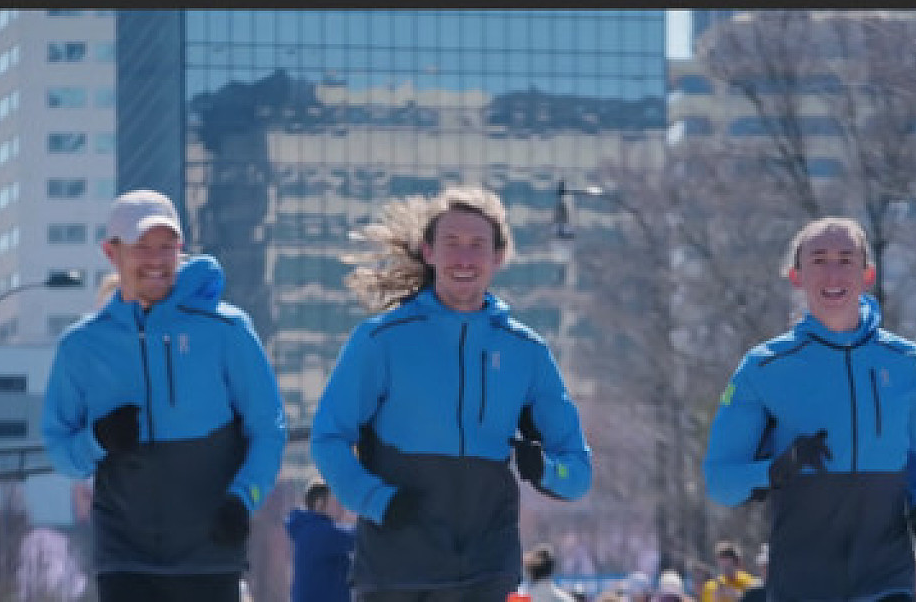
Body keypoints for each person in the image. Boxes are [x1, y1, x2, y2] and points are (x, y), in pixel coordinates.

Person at [310, 187, 593, 601]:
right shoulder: (381, 340)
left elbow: (578, 471)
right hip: (397, 569)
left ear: (499, 257)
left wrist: (545, 470)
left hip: (486, 571)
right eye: (451, 243)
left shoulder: (525, 352)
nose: (464, 258)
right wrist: (374, 500)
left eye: (477, 245)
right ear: (429, 252)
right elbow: (328, 437)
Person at [41, 189, 287, 602]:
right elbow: (60, 451)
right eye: (142, 247)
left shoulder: (226, 330)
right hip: (125, 558)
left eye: (167, 246)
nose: (156, 260)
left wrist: (245, 499)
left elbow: (268, 428)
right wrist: (98, 439)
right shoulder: (81, 347)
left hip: (210, 551)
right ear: (111, 252)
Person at [703, 216, 916, 601]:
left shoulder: (908, 363)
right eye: (819, 260)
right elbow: (720, 481)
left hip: (885, 577)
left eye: (846, 260)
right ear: (796, 276)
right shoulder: (764, 368)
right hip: (803, 582)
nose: (833, 273)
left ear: (868, 274)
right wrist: (777, 468)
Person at [285, 477, 357, 602]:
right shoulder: (319, 532)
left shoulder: (307, 529)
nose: (341, 506)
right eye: (336, 500)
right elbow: (358, 537)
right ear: (319, 503)